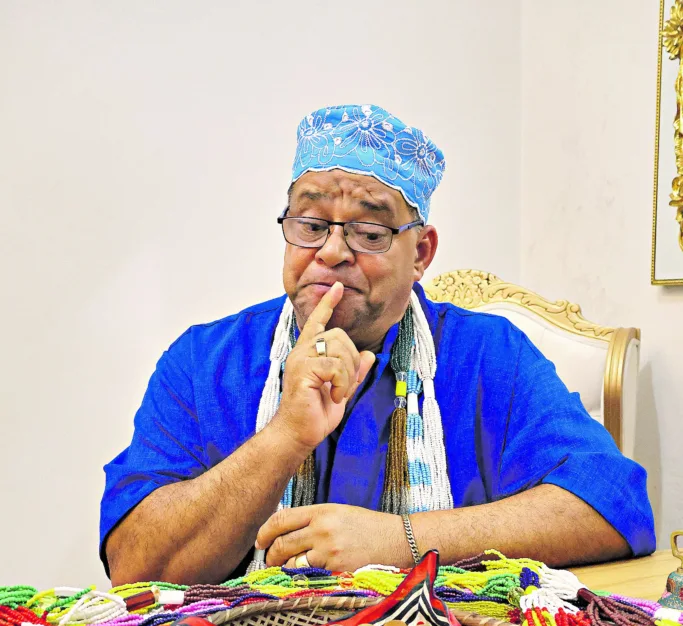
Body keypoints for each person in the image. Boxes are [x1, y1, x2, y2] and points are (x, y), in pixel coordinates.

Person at [101, 104, 656, 586]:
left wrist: (405, 543)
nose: (333, 251)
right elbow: (134, 563)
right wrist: (283, 437)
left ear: (421, 254)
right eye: (311, 223)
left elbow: (615, 508)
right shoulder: (205, 362)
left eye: (370, 234)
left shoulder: (489, 357)